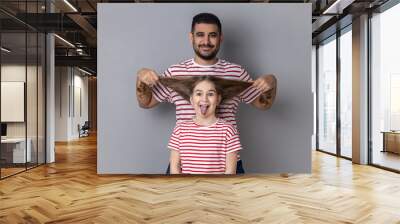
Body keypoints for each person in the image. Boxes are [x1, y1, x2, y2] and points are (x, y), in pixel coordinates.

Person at [136, 12, 277, 174]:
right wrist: (140, 78)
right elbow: (146, 103)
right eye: (200, 35)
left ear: (220, 38)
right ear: (191, 37)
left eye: (212, 35)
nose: (206, 41)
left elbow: (263, 104)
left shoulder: (236, 72)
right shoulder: (176, 72)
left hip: (227, 164)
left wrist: (272, 82)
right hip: (185, 164)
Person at [162, 76, 251, 174]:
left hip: (217, 189)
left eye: (210, 94)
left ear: (218, 99)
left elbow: (230, 172)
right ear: (191, 100)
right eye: (199, 93)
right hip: (188, 189)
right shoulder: (180, 130)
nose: (204, 99)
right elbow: (174, 168)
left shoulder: (228, 130)